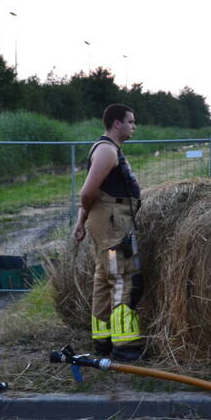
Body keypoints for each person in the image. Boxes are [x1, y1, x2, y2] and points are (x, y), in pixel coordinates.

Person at [72, 103, 146, 362]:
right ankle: (125, 345)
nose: (134, 126)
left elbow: (92, 192)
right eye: (131, 121)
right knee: (122, 277)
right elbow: (87, 192)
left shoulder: (108, 149)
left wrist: (82, 221)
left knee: (104, 278)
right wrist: (86, 218)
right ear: (117, 123)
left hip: (108, 221)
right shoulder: (106, 150)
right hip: (113, 223)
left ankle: (102, 340)